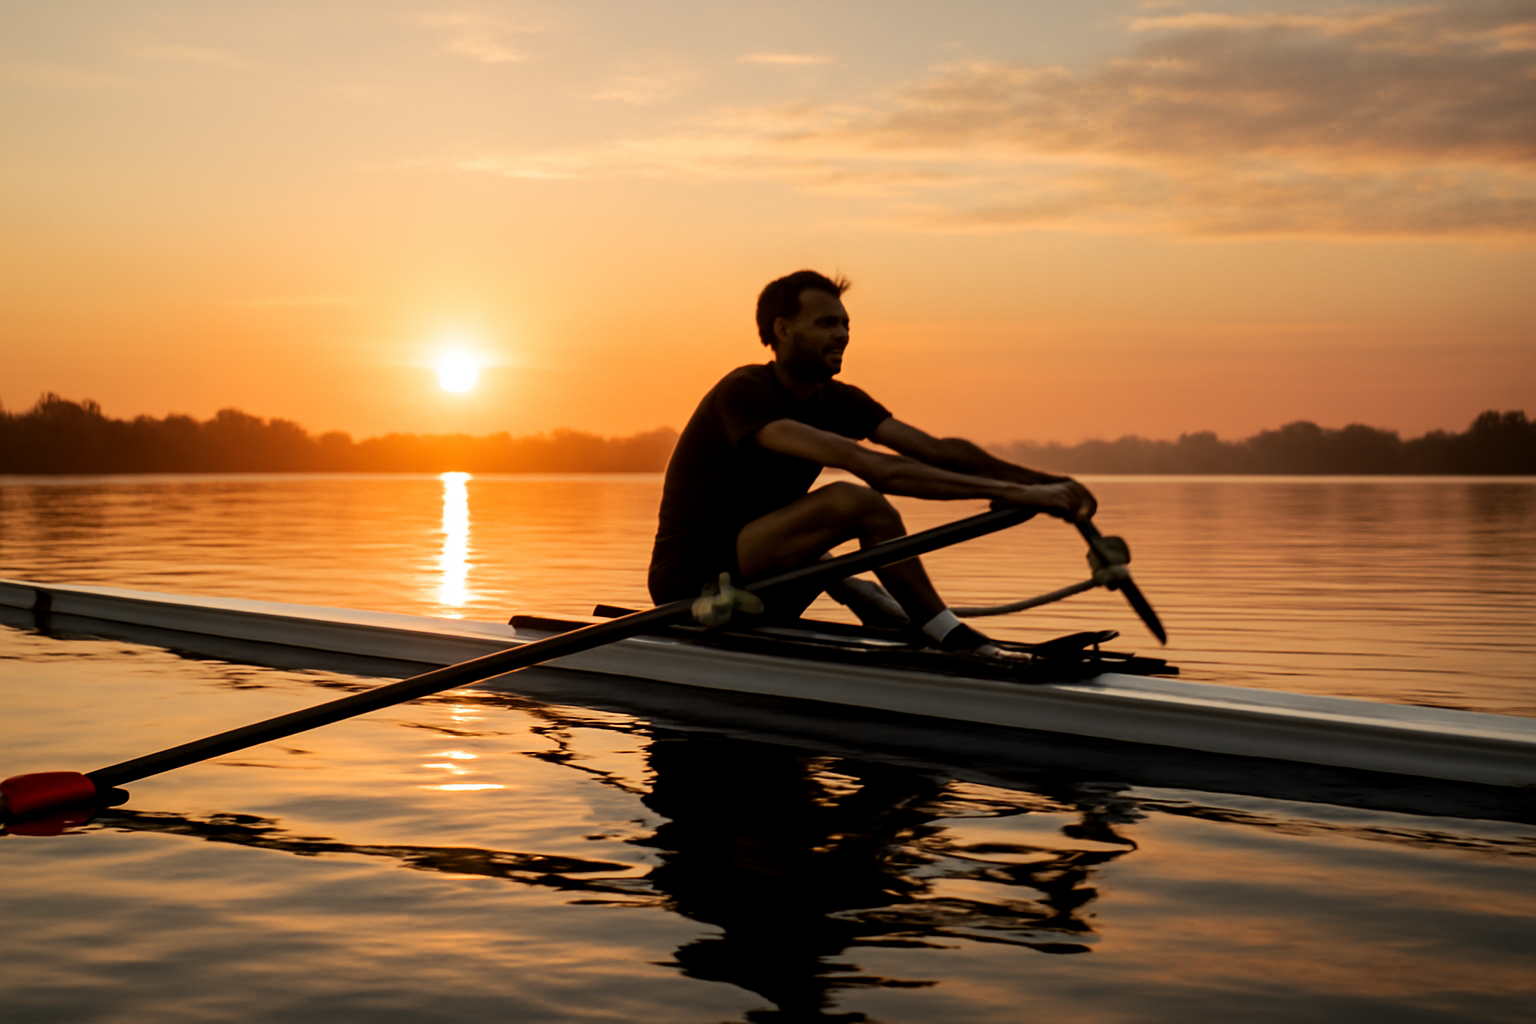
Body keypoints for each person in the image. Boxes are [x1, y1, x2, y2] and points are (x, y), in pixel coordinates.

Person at [647, 270, 1096, 656]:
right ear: (782, 330)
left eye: (845, 324)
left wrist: (1048, 482)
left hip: (760, 577)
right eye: (825, 323)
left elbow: (936, 450)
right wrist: (1018, 495)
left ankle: (878, 604)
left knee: (851, 509)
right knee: (855, 501)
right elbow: (874, 467)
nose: (842, 334)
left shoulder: (838, 401)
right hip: (692, 580)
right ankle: (942, 630)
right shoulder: (744, 393)